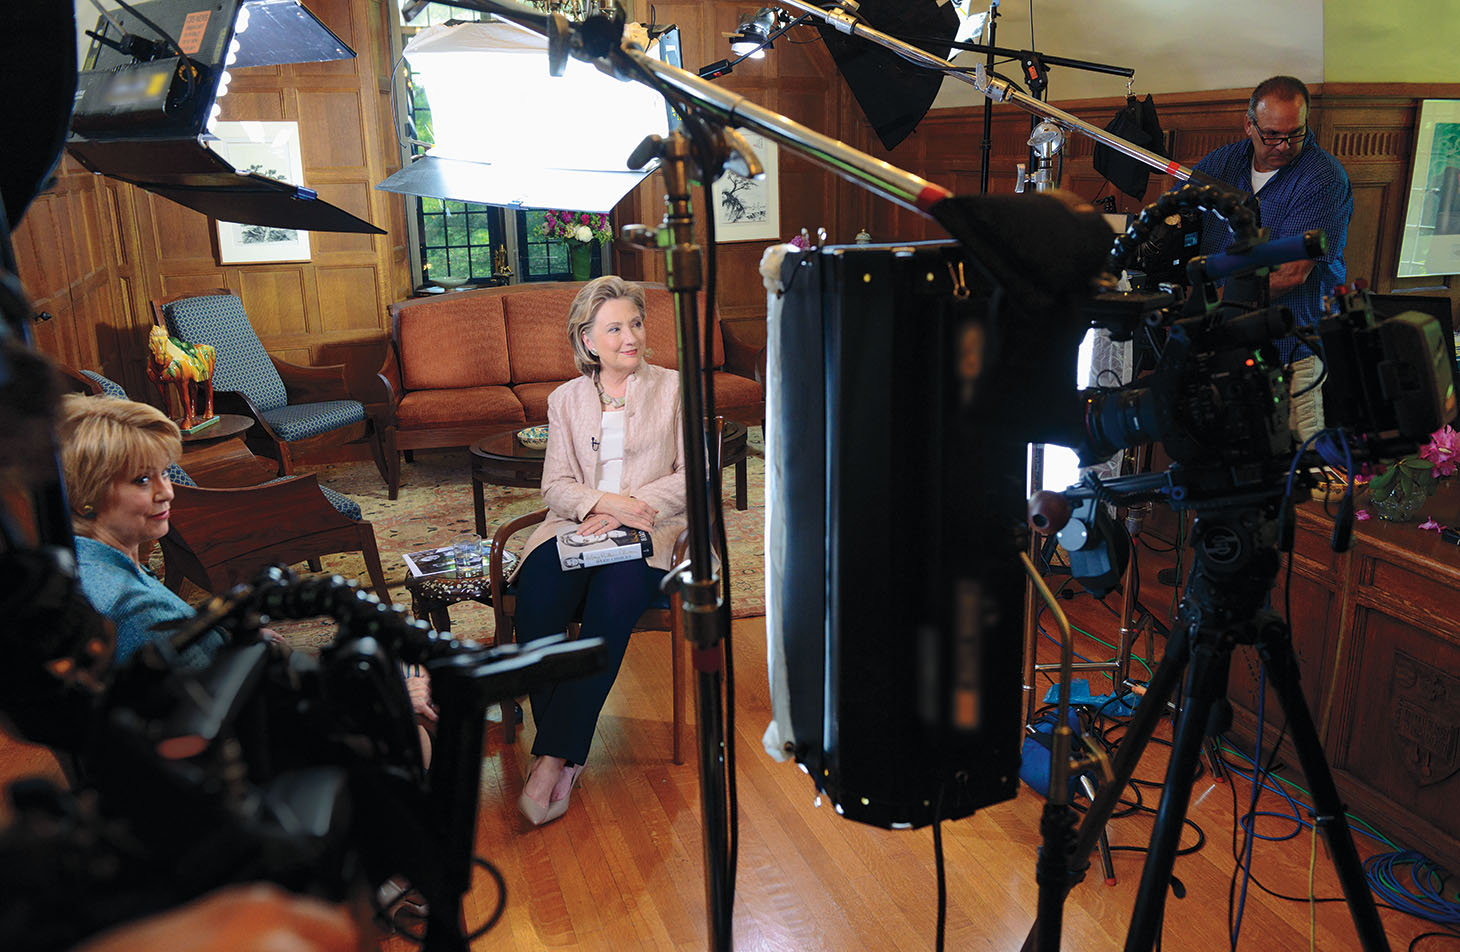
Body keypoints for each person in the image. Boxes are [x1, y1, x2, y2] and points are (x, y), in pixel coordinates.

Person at [511, 275, 685, 826]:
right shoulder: (565, 400)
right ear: (588, 340)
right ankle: (562, 749)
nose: (629, 337)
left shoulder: (675, 389)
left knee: (611, 605)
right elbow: (555, 485)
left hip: (645, 534)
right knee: (537, 599)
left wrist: (628, 507)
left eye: (635, 324)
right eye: (615, 328)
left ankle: (552, 759)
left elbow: (694, 474)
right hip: (575, 528)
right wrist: (600, 504)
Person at [1193, 75, 1354, 442]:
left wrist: (1205, 310)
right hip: (1222, 351)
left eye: (1295, 134)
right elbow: (1177, 218)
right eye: (1271, 135)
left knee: (1293, 463)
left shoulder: (1323, 178)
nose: (1283, 145)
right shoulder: (1222, 163)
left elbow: (1291, 273)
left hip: (1290, 351)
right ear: (1248, 124)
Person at [56, 393, 230, 671]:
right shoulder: (137, 610)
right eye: (142, 480)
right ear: (82, 495)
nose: (167, 492)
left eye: (165, 473)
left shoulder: (77, 559)